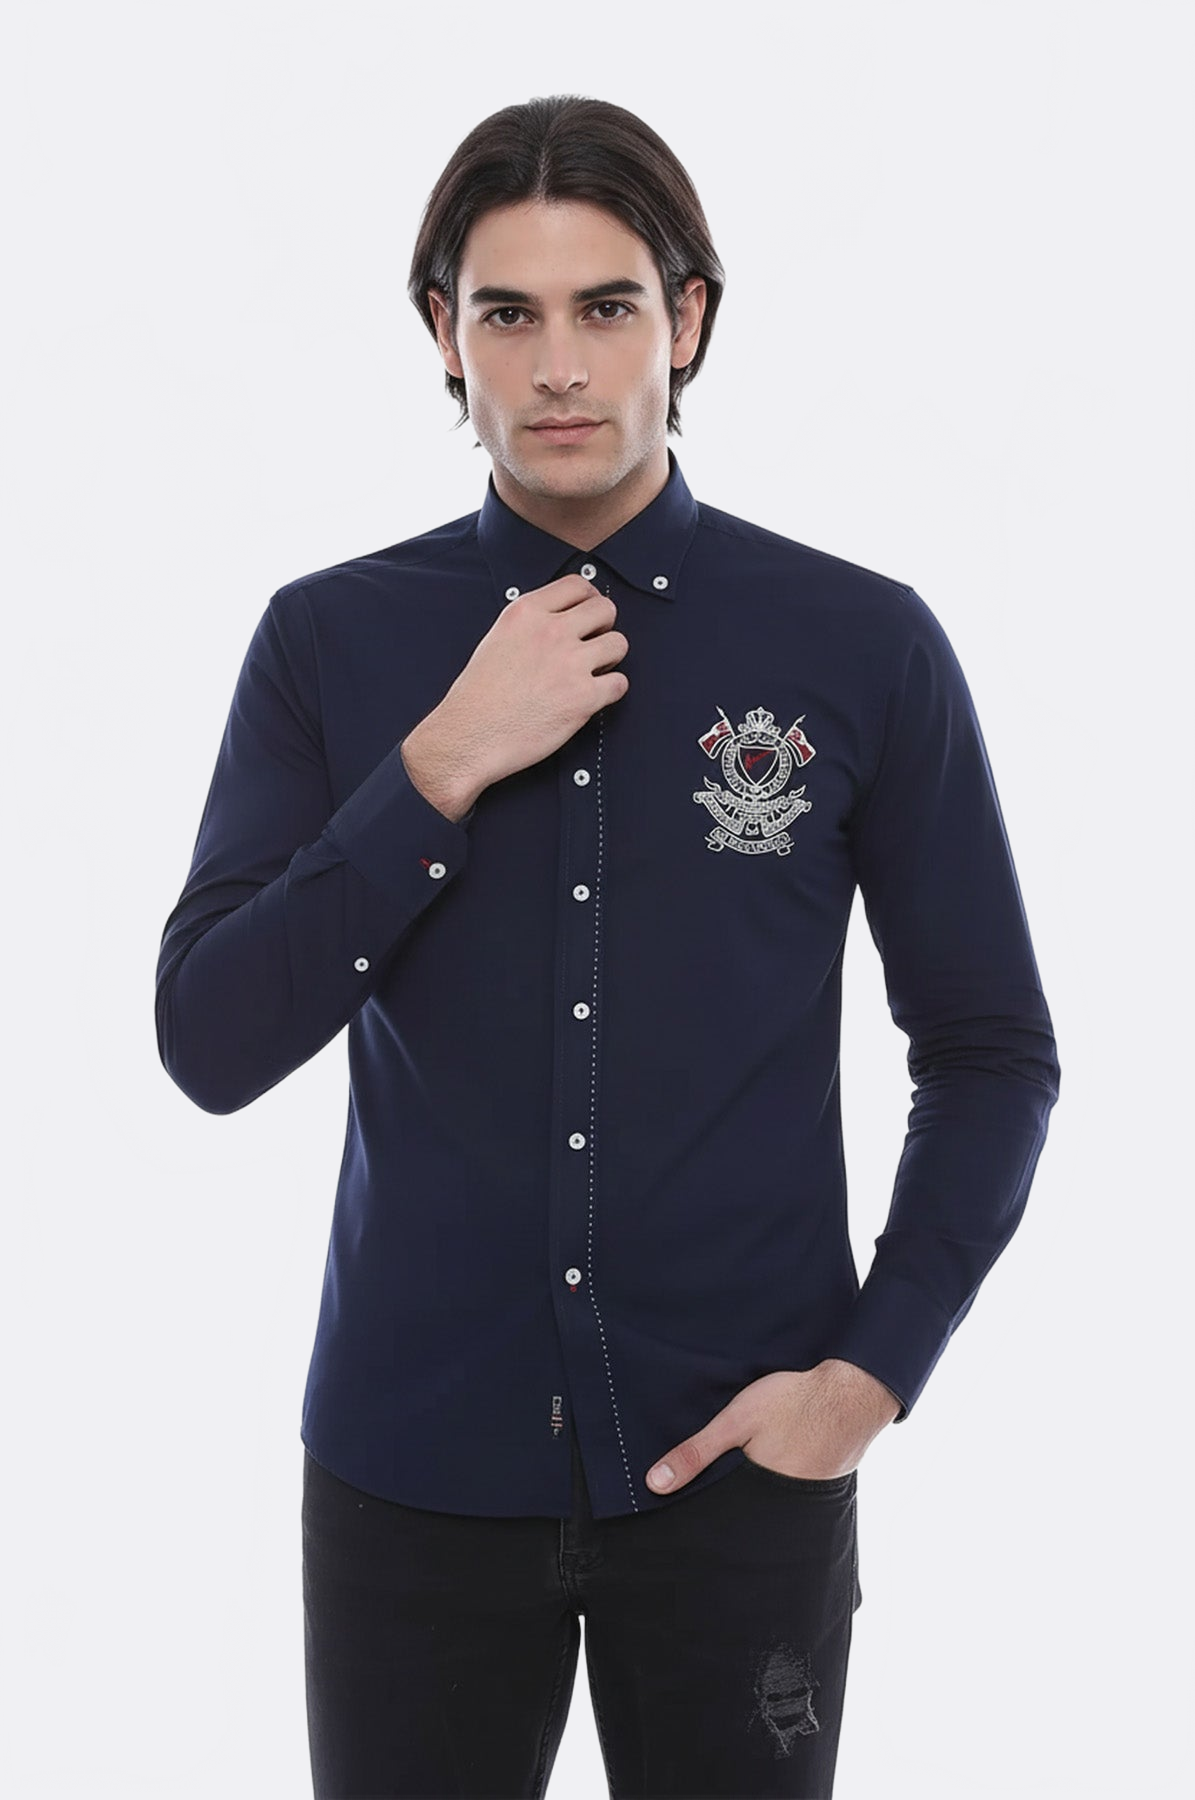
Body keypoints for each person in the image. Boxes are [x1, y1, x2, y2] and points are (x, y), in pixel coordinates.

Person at [156, 92, 1060, 1800]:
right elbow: (209, 1041)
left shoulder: (859, 643)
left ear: (686, 319)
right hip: (410, 1478)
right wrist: (441, 762)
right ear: (443, 331)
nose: (559, 366)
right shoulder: (329, 641)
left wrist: (869, 1378)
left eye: (607, 307)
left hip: (743, 1475)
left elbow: (992, 1049)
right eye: (507, 312)